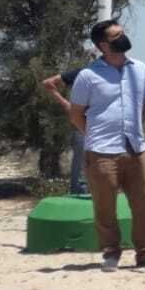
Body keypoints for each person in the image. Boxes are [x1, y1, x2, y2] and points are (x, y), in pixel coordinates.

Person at [66, 18, 145, 271]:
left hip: (135, 147)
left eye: (123, 33)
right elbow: (76, 113)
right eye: (116, 36)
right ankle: (111, 251)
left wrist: (136, 127)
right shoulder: (88, 76)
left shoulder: (140, 69)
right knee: (104, 204)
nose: (123, 38)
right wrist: (93, 134)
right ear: (102, 45)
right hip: (102, 151)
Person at [41, 60, 94, 196]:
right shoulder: (82, 73)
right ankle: (79, 194)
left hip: (101, 126)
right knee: (82, 161)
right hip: (82, 124)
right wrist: (66, 104)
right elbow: (48, 83)